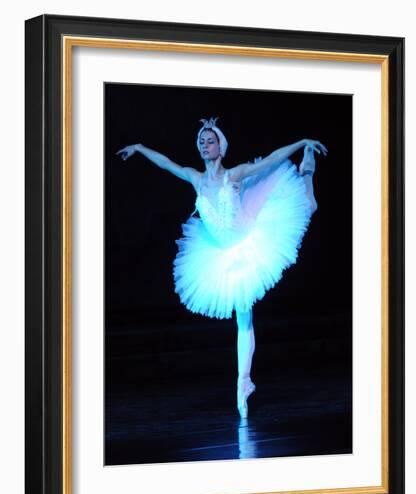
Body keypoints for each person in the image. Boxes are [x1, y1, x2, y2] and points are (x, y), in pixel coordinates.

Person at [117, 117, 327, 419]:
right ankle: (244, 382)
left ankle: (307, 171)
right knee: (243, 317)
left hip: (251, 239)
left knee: (308, 206)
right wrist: (139, 147)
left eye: (210, 141)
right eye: (201, 142)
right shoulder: (195, 178)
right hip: (221, 254)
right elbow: (166, 164)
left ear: (221, 146)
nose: (205, 145)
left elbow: (271, 160)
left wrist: (301, 142)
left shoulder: (235, 174)